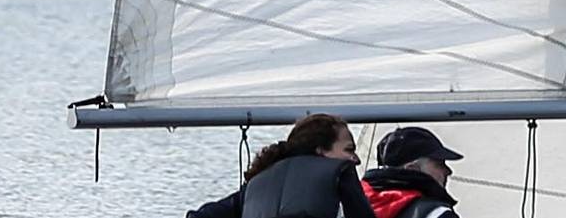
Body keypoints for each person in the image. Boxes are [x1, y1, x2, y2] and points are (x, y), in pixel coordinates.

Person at [186, 113, 374, 218]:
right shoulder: (341, 173)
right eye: (349, 150)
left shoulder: (257, 185)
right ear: (320, 150)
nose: (356, 159)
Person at [360, 127, 464, 218]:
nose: (448, 171)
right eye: (439, 163)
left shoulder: (351, 207)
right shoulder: (436, 214)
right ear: (412, 169)